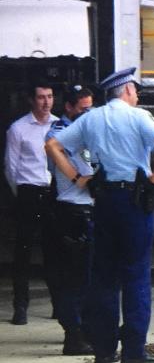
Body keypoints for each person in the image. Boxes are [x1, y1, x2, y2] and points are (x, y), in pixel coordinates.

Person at [45, 67, 154, 363]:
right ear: (127, 90)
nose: (137, 95)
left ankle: (104, 351)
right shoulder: (139, 116)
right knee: (137, 277)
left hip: (103, 200)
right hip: (136, 201)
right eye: (135, 90)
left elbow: (53, 145)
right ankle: (134, 352)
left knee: (103, 278)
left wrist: (78, 179)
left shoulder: (92, 117)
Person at [45, 84, 95, 355]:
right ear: (69, 108)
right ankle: (74, 334)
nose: (88, 114)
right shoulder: (63, 133)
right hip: (73, 209)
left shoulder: (82, 131)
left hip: (85, 208)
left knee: (85, 276)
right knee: (76, 277)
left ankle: (82, 330)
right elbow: (86, 173)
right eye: (83, 109)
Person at [4, 80, 58, 326]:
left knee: (55, 251)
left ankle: (59, 304)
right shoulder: (19, 128)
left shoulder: (58, 125)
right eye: (41, 97)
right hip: (28, 191)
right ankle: (21, 306)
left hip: (51, 193)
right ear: (31, 100)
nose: (46, 102)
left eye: (49, 96)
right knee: (23, 252)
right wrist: (22, 193)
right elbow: (11, 167)